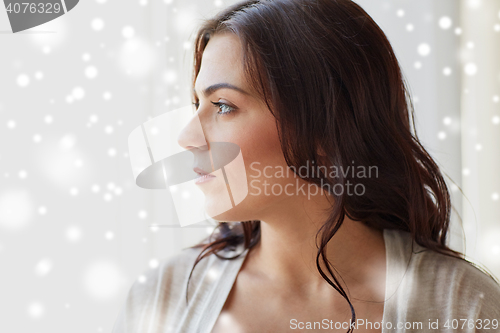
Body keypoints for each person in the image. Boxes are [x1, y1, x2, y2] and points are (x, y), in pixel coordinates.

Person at [112, 1, 500, 332]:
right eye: (197, 104)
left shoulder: (462, 309)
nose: (187, 136)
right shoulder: (163, 296)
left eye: (224, 106)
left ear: (325, 128)